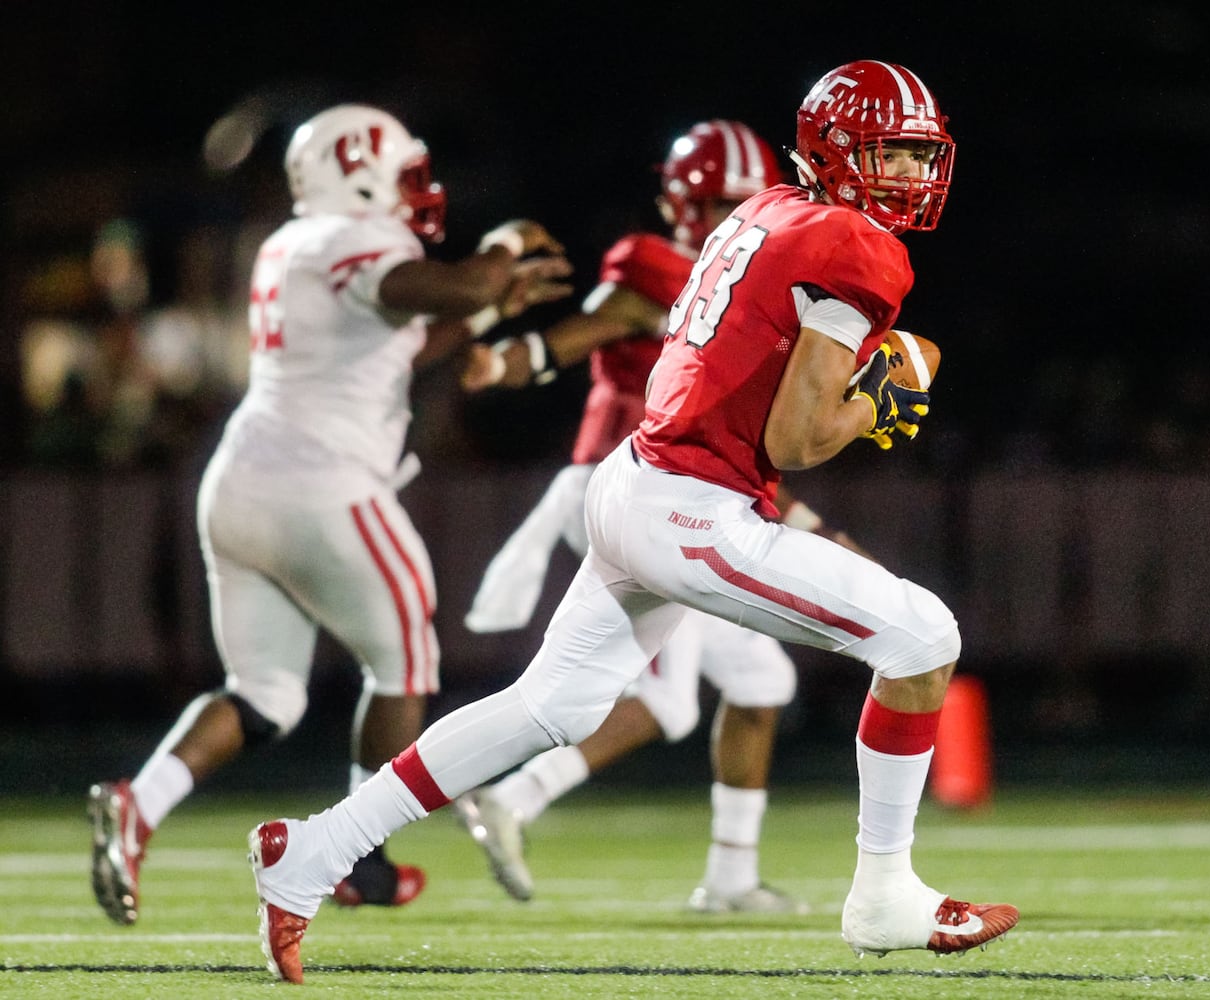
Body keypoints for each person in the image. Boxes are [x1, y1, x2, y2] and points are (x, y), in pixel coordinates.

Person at [249, 62, 1018, 984]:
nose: (908, 176)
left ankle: (312, 850)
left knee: (551, 706)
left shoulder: (769, 208)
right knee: (923, 635)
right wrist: (883, 398)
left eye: (917, 156)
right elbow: (799, 437)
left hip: (635, 480)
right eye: (890, 153)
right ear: (837, 151)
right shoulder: (855, 246)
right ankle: (884, 893)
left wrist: (865, 380)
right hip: (691, 504)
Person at [87, 103, 574, 926]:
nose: (420, 193)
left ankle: (141, 801)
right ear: (360, 173)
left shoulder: (289, 243)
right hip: (324, 487)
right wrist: (502, 255)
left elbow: (400, 345)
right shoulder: (354, 240)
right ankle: (355, 858)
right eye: (406, 175)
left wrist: (484, 309)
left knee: (266, 693)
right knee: (405, 666)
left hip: (240, 483)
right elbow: (457, 283)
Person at [452, 120, 863, 913]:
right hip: (632, 492)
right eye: (716, 202)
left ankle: (731, 879)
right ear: (681, 200)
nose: (728, 216)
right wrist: (507, 360)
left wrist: (801, 520)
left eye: (740, 202)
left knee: (760, 679)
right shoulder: (664, 268)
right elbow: (593, 325)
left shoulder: (754, 276)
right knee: (667, 702)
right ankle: (512, 797)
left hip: (691, 492)